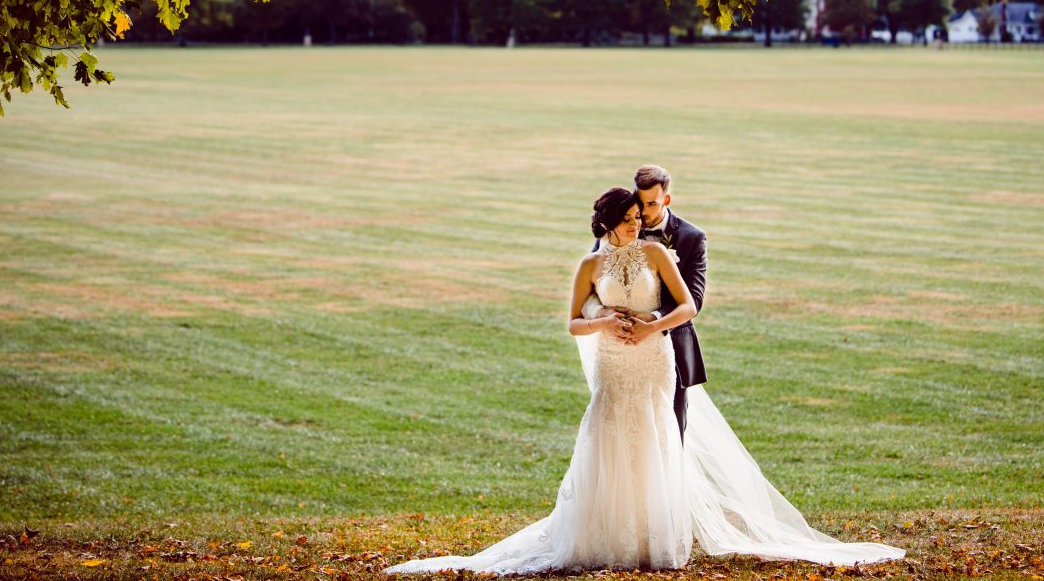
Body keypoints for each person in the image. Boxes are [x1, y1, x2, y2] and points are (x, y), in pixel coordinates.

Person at [386, 186, 904, 575]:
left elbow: (686, 305)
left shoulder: (658, 254)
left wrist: (654, 325)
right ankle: (606, 538)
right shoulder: (590, 264)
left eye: (640, 218)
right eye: (630, 220)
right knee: (610, 434)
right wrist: (604, 323)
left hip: (654, 355)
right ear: (609, 223)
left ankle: (652, 539)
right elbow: (572, 321)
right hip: (613, 357)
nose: (639, 226)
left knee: (654, 435)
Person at [587, 164, 705, 437]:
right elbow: (593, 283)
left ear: (667, 199)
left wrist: (651, 320)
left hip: (668, 346)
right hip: (618, 350)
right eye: (641, 203)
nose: (644, 214)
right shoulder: (620, 225)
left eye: (652, 204)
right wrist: (602, 312)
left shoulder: (691, 238)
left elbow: (693, 300)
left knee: (670, 434)